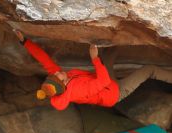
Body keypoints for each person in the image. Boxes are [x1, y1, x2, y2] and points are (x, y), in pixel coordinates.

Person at [13, 30, 172, 111]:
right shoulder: (77, 91)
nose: (56, 72)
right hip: (114, 93)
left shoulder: (62, 79)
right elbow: (103, 82)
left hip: (106, 82)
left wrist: (25, 42)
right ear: (62, 82)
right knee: (149, 70)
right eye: (57, 75)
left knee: (109, 53)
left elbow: (45, 60)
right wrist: (94, 58)